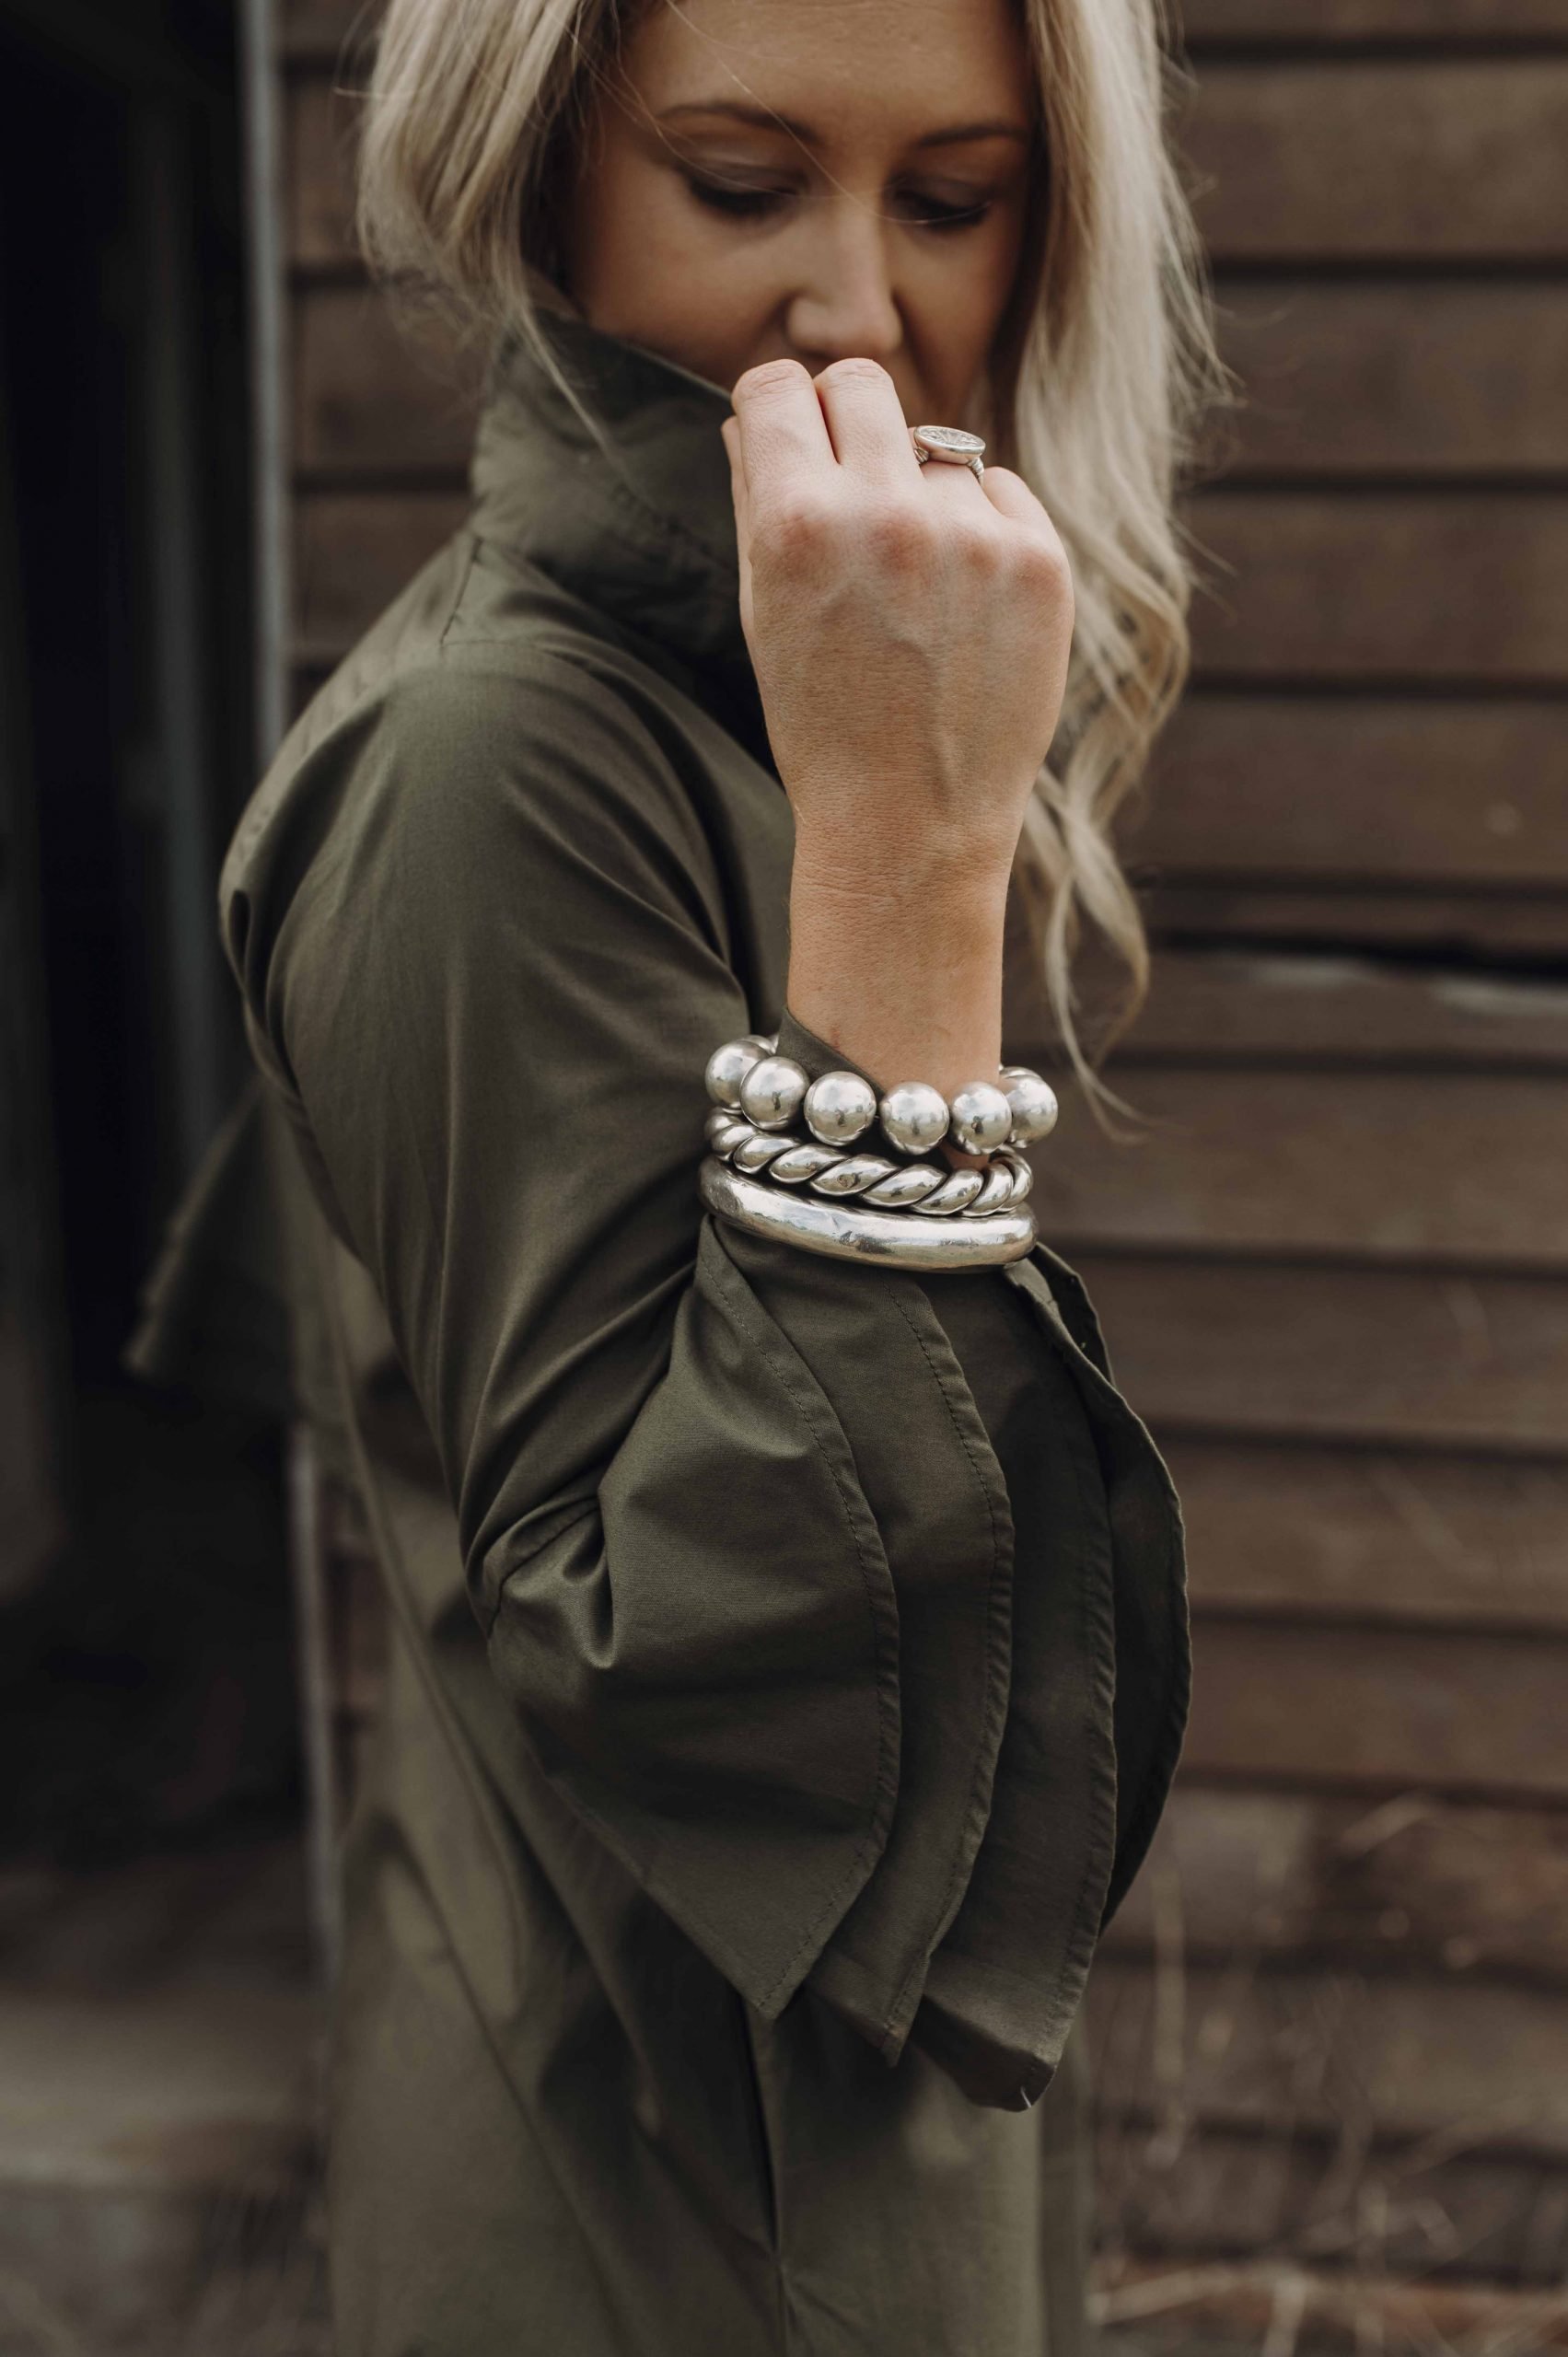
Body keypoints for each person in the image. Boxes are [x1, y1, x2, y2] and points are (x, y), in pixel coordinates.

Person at [142, 0, 1219, 2346]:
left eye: (953, 200)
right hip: (649, 2220)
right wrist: (915, 878)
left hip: (795, 2168)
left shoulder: (766, 691)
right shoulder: (495, 760)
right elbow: (752, 1699)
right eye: (743, 186)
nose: (857, 301)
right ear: (539, 176)